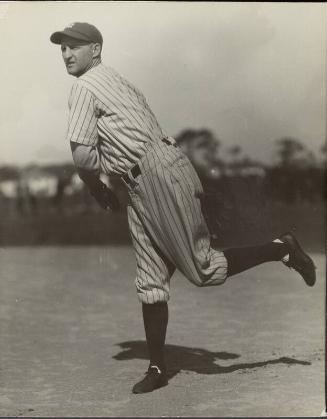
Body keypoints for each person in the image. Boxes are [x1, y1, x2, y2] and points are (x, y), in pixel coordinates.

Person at [50, 22, 316, 394]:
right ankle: (158, 368)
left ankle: (282, 248)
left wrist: (95, 186)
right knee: (150, 278)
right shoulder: (117, 81)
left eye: (73, 46)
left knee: (203, 268)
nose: (65, 53)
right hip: (143, 179)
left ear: (95, 50)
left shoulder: (84, 87)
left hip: (155, 174)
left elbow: (82, 156)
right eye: (61, 47)